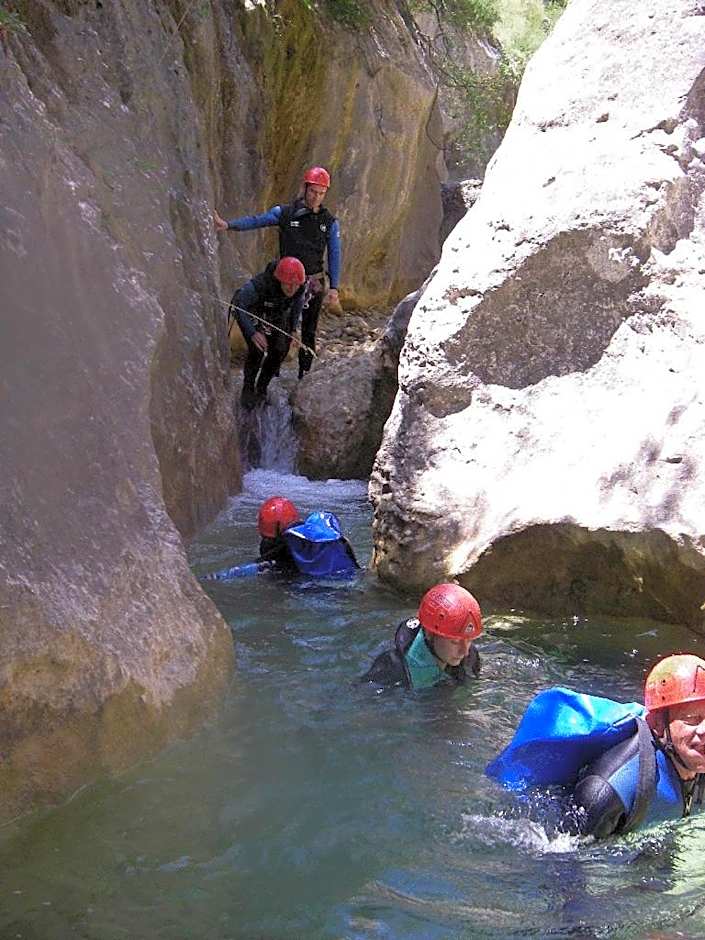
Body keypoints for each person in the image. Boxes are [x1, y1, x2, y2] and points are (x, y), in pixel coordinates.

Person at [486, 654, 705, 840]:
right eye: (692, 719)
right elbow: (566, 868)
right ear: (657, 724)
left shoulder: (694, 759)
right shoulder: (609, 790)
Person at [214, 166, 342, 378]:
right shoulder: (285, 213)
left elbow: (335, 254)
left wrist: (335, 287)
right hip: (285, 281)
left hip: (313, 282)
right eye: (313, 192)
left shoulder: (329, 223)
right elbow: (257, 220)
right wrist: (228, 225)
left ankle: (304, 374)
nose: (316, 198)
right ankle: (271, 370)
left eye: (321, 193)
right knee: (279, 327)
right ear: (305, 188)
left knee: (308, 331)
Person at [201, 497, 360, 581]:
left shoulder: (284, 552)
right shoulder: (322, 538)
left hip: (314, 590)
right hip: (348, 577)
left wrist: (215, 577)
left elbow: (259, 567)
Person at [360, 583, 483, 691]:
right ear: (429, 634)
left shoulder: (470, 657)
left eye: (469, 640)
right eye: (455, 642)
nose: (464, 651)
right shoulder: (392, 669)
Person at [230, 257, 306, 409]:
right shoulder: (259, 286)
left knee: (280, 350)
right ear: (279, 280)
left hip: (276, 313)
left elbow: (297, 306)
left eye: (295, 286)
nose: (291, 289)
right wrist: (252, 332)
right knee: (257, 350)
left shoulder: (299, 289)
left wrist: (293, 329)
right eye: (288, 285)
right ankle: (248, 388)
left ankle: (262, 387)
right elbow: (239, 306)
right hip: (252, 311)